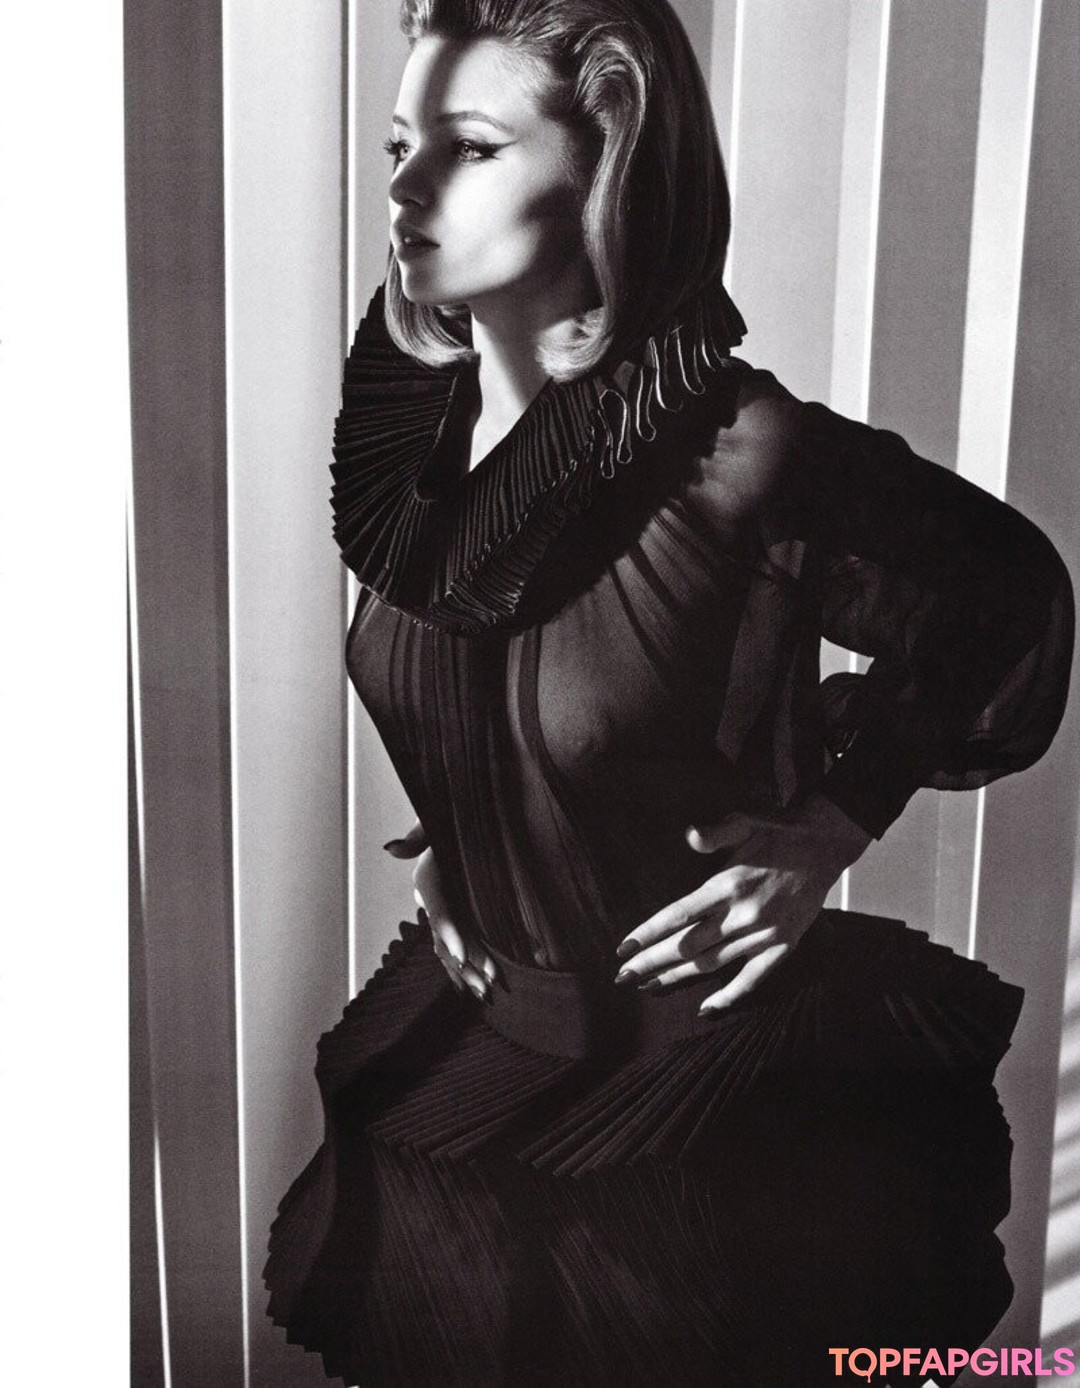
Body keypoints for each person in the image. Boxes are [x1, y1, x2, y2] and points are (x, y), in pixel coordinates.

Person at [263, 1, 1074, 1383]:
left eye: (469, 147)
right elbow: (498, 683)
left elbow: (1009, 599)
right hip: (483, 1054)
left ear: (611, 175)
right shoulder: (428, 446)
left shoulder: (740, 453)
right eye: (401, 145)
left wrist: (835, 821)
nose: (404, 186)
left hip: (712, 1121)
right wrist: (476, 829)